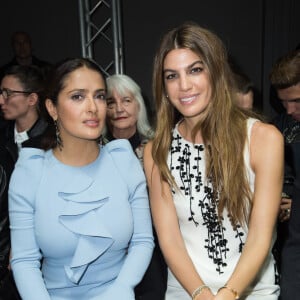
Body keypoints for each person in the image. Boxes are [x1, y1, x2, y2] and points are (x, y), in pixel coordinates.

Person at [143, 22, 284, 300]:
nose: (184, 85)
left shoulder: (262, 139)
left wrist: (228, 294)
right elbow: (169, 239)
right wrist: (201, 294)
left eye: (195, 70)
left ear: (216, 72)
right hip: (187, 291)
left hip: (253, 292)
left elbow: (260, 236)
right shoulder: (156, 151)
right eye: (172, 76)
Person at [8, 57, 154, 300]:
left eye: (99, 96)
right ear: (52, 108)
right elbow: (24, 259)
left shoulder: (122, 160)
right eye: (78, 96)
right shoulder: (30, 171)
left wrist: (121, 291)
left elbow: (142, 240)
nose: (92, 107)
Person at [105, 74, 167, 300]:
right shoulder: (94, 151)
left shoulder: (157, 148)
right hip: (109, 248)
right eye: (111, 102)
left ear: (139, 105)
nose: (119, 108)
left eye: (126, 100)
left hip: (152, 245)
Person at [269, 49, 300, 276]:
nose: (290, 110)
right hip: (289, 244)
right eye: (284, 102)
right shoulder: (279, 127)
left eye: (297, 101)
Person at [0, 65, 48, 165]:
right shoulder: (3, 136)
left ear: (32, 99)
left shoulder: (53, 141)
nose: (1, 100)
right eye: (1, 92)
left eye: (7, 93)